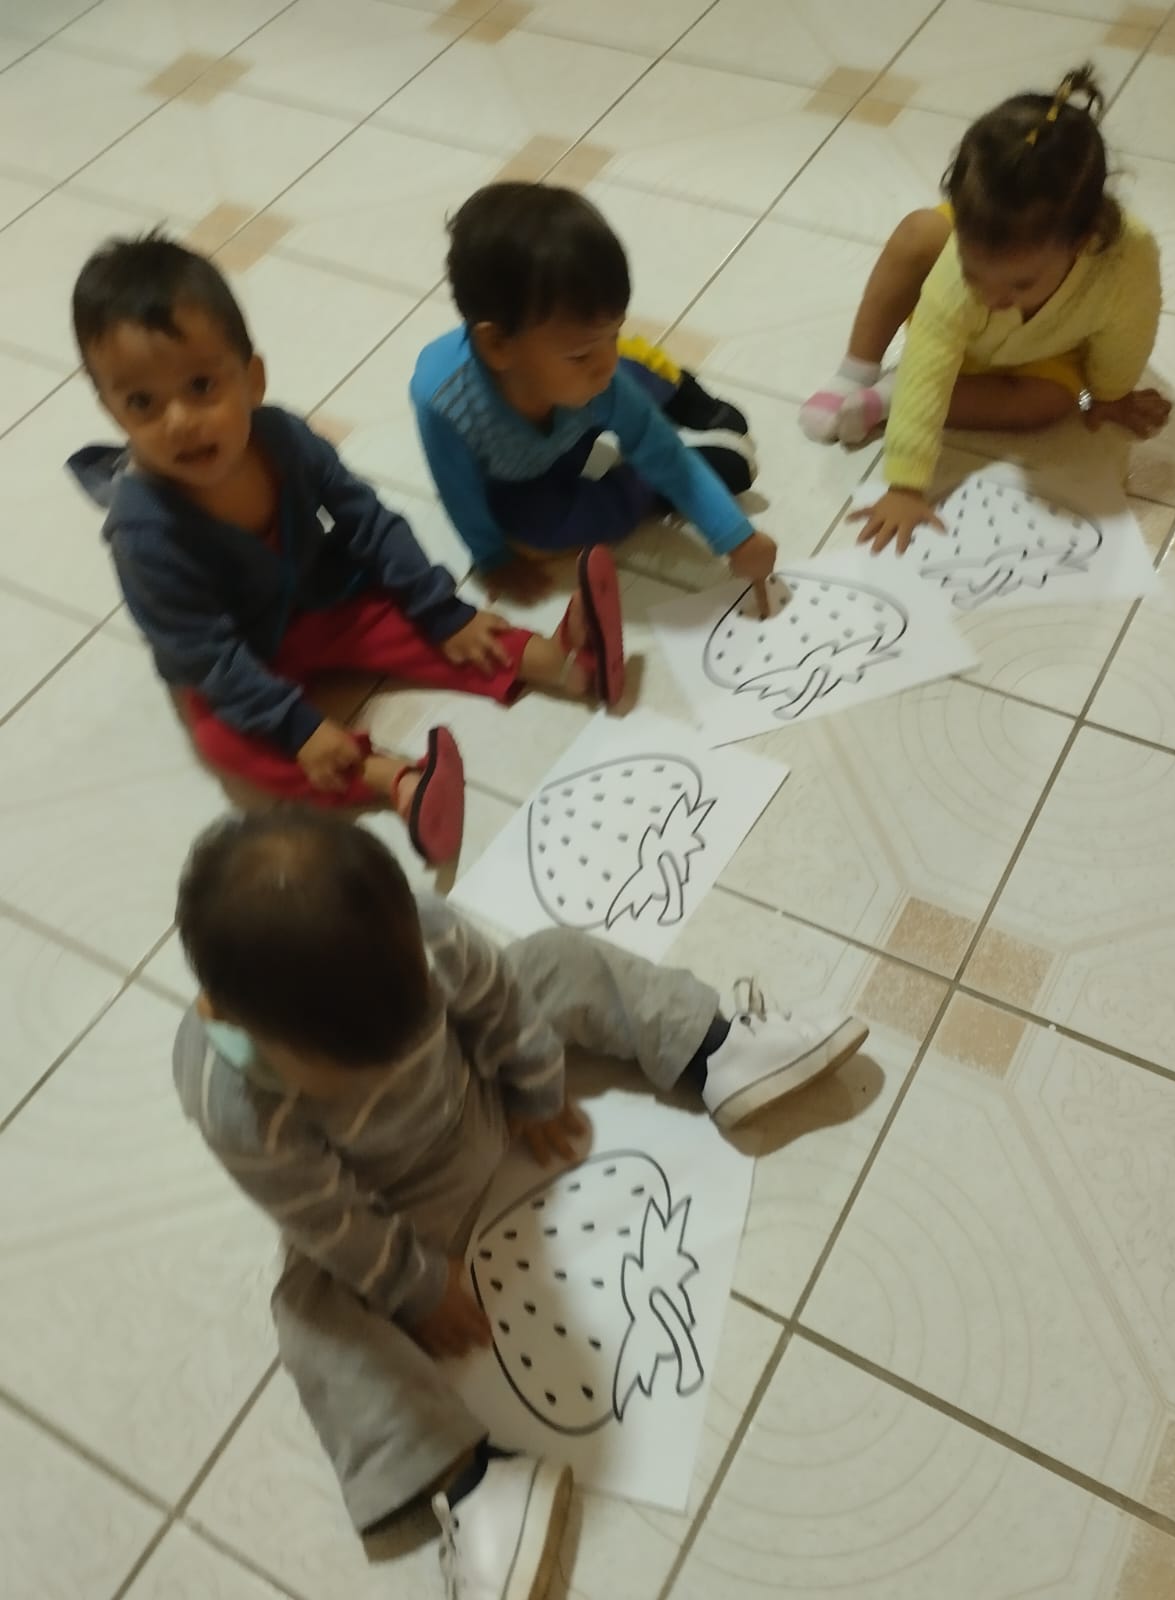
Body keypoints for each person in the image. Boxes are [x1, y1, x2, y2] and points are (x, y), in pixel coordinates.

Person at [172, 810, 868, 1598]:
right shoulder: (230, 1098)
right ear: (227, 1017)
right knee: (309, 1313)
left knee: (557, 958)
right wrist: (417, 1285)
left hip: (483, 1088)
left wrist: (536, 1084)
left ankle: (717, 1048)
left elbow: (501, 1000)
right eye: (353, 1066)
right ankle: (477, 1485)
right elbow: (326, 1217)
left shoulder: (424, 931)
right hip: (398, 1205)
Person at [66, 233, 626, 866]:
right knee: (225, 742)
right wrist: (298, 728)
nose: (178, 421)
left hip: (322, 600)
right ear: (112, 411)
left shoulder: (284, 438)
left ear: (252, 379)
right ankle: (397, 782)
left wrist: (443, 612)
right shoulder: (144, 534)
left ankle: (564, 662)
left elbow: (367, 520)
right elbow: (207, 655)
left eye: (201, 385)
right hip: (235, 658)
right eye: (142, 402)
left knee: (412, 618)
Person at [799, 65, 1171, 554]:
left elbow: (1131, 327)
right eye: (977, 274)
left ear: (1080, 243)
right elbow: (930, 358)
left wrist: (1110, 392)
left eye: (1021, 283)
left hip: (1043, 353)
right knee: (917, 233)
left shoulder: (1126, 258)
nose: (993, 298)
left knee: (1053, 405)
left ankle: (888, 397)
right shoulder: (955, 272)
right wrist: (905, 485)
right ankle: (856, 371)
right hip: (947, 330)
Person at [411, 181, 778, 602]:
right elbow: (459, 492)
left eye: (614, 333)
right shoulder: (444, 404)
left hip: (581, 410)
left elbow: (657, 445)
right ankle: (658, 487)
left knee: (626, 373)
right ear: (498, 345)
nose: (605, 359)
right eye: (581, 353)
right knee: (538, 530)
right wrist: (492, 557)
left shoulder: (596, 371)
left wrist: (736, 536)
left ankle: (677, 388)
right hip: (522, 471)